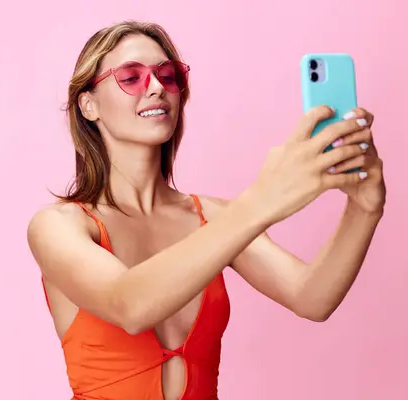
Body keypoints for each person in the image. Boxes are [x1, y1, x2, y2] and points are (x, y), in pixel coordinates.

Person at [27, 20, 386, 400]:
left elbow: (311, 297)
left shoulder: (212, 217)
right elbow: (129, 304)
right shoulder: (58, 226)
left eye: (168, 75)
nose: (156, 88)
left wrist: (364, 210)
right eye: (130, 77)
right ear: (89, 104)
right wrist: (262, 200)